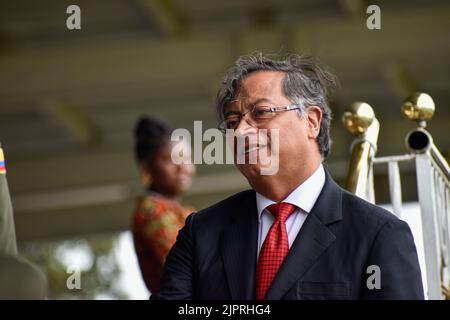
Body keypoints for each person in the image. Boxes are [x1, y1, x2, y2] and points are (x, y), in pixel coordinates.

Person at [152, 54, 424, 300]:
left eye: (260, 113)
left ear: (311, 122)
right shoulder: (202, 232)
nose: (241, 132)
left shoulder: (377, 235)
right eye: (233, 121)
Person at [132, 116, 195, 294]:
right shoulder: (151, 211)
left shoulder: (184, 212)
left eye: (187, 158)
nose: (183, 167)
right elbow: (190, 266)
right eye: (171, 159)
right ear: (147, 167)